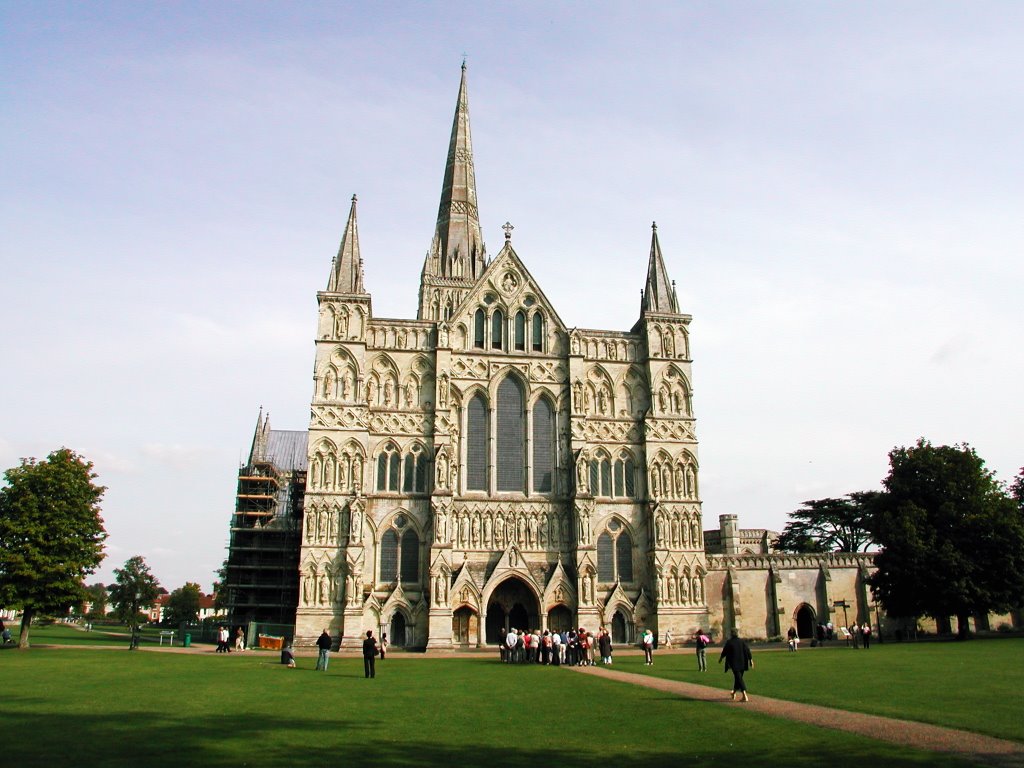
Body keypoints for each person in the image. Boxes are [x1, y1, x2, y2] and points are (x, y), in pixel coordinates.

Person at [719, 630, 753, 701]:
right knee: (738, 678)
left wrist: (721, 658)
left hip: (734, 663)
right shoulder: (742, 641)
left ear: (731, 634)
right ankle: (733, 692)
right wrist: (750, 660)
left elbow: (725, 651)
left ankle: (744, 695)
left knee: (739, 678)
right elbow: (747, 650)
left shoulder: (730, 642)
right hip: (743, 662)